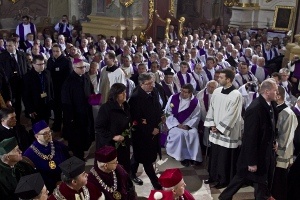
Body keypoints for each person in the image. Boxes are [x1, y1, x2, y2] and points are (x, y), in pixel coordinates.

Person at [219, 78, 278, 200]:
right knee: (241, 178)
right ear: (267, 92)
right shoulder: (255, 109)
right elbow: (250, 137)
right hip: (253, 156)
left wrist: (274, 141)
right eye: (275, 91)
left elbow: (270, 128)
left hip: (264, 154)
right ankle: (224, 197)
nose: (277, 93)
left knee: (259, 182)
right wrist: (251, 161)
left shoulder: (270, 105)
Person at [204, 69, 243, 189]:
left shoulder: (236, 94)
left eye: (221, 77)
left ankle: (223, 179)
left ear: (229, 80)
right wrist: (212, 124)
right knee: (214, 154)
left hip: (227, 132)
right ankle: (213, 176)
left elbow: (233, 114)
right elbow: (211, 108)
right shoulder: (216, 91)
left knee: (224, 157)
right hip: (216, 129)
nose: (218, 79)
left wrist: (220, 128)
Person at [128, 73, 162, 189]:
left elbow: (157, 108)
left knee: (138, 156)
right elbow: (136, 120)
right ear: (141, 84)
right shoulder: (135, 98)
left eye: (152, 82)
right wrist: (150, 130)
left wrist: (159, 123)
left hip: (154, 129)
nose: (152, 85)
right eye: (148, 84)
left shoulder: (154, 91)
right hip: (142, 135)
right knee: (146, 160)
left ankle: (131, 173)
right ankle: (156, 184)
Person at [23, 120, 70, 193]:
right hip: (46, 190)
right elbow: (34, 179)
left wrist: (65, 179)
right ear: (36, 136)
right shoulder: (28, 155)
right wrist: (54, 184)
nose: (49, 134)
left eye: (49, 131)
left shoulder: (59, 146)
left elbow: (68, 162)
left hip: (65, 183)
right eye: (45, 133)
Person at [61, 58, 94, 160]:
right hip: (75, 114)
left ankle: (84, 150)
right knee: (77, 136)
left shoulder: (86, 77)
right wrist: (70, 117)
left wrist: (95, 100)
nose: (83, 69)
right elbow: (66, 101)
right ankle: (78, 156)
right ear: (74, 67)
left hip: (86, 111)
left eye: (84, 67)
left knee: (86, 133)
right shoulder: (69, 82)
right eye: (81, 67)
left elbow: (91, 91)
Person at [95, 83, 131, 173]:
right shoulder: (106, 108)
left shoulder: (126, 106)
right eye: (121, 93)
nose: (124, 94)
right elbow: (99, 127)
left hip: (123, 144)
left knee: (123, 169)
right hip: (110, 145)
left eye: (125, 92)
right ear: (115, 95)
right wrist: (113, 137)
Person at [165, 83, 202, 167]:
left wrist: (188, 125)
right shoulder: (173, 98)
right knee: (180, 134)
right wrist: (177, 124)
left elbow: (196, 116)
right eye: (182, 90)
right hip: (175, 123)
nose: (182, 93)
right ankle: (181, 156)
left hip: (188, 124)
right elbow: (168, 112)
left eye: (185, 92)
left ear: (190, 93)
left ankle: (194, 157)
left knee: (194, 134)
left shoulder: (195, 102)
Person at [271, 86, 298, 200]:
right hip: (276, 149)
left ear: (278, 96)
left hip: (283, 151)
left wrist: (279, 150)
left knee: (280, 176)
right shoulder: (276, 109)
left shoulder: (287, 112)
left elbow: (287, 134)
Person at [0, 38, 28, 122]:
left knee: (21, 103)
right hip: (10, 85)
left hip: (22, 83)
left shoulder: (22, 54)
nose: (8, 47)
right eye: (6, 46)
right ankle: (13, 121)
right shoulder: (2, 57)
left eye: (10, 45)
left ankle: (19, 119)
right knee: (14, 104)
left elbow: (27, 67)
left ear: (16, 45)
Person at [46, 44, 73, 132]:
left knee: (65, 111)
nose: (55, 53)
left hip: (63, 90)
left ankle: (66, 129)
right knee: (56, 109)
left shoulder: (66, 61)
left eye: (57, 51)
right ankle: (56, 125)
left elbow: (69, 77)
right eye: (53, 51)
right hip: (54, 90)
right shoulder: (50, 60)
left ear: (61, 51)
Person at [22, 55, 54, 124]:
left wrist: (51, 101)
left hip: (46, 105)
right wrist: (30, 109)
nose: (42, 66)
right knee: (37, 128)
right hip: (35, 107)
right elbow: (25, 95)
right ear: (33, 64)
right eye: (39, 64)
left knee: (46, 124)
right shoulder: (27, 77)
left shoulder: (47, 73)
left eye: (43, 64)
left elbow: (51, 88)